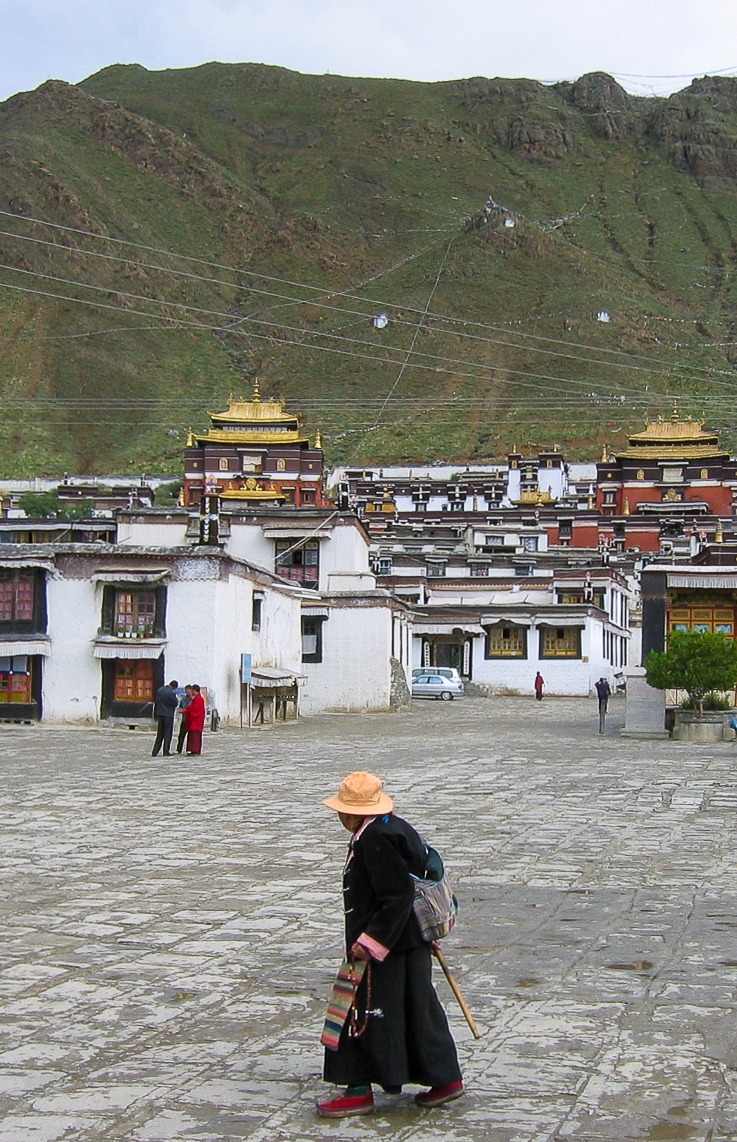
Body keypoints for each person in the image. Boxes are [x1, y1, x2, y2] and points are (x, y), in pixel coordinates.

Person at [317, 771, 463, 1119]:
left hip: (384, 944)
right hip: (410, 940)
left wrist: (369, 943)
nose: (339, 817)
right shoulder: (395, 826)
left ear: (354, 813)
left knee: (359, 1012)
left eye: (342, 811)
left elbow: (396, 896)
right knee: (417, 1008)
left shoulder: (375, 839)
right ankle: (444, 1078)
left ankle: (356, 1088)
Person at [151, 679, 179, 757]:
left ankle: (155, 751)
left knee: (160, 734)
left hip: (160, 714)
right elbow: (175, 703)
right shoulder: (171, 693)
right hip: (168, 715)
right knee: (167, 734)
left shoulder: (160, 690)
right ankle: (166, 751)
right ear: (174, 687)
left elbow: (157, 701)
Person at [184, 683, 206, 756]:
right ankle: (193, 750)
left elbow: (195, 710)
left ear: (194, 690)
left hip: (196, 721)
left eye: (192, 690)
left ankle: (195, 750)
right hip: (196, 720)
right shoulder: (197, 698)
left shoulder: (198, 699)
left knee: (195, 737)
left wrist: (186, 711)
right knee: (193, 736)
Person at [175, 685, 194, 754]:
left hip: (191, 720)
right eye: (186, 690)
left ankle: (189, 749)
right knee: (181, 735)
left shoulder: (194, 700)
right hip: (184, 719)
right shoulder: (183, 699)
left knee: (191, 736)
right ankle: (178, 749)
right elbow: (180, 708)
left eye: (188, 690)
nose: (187, 692)